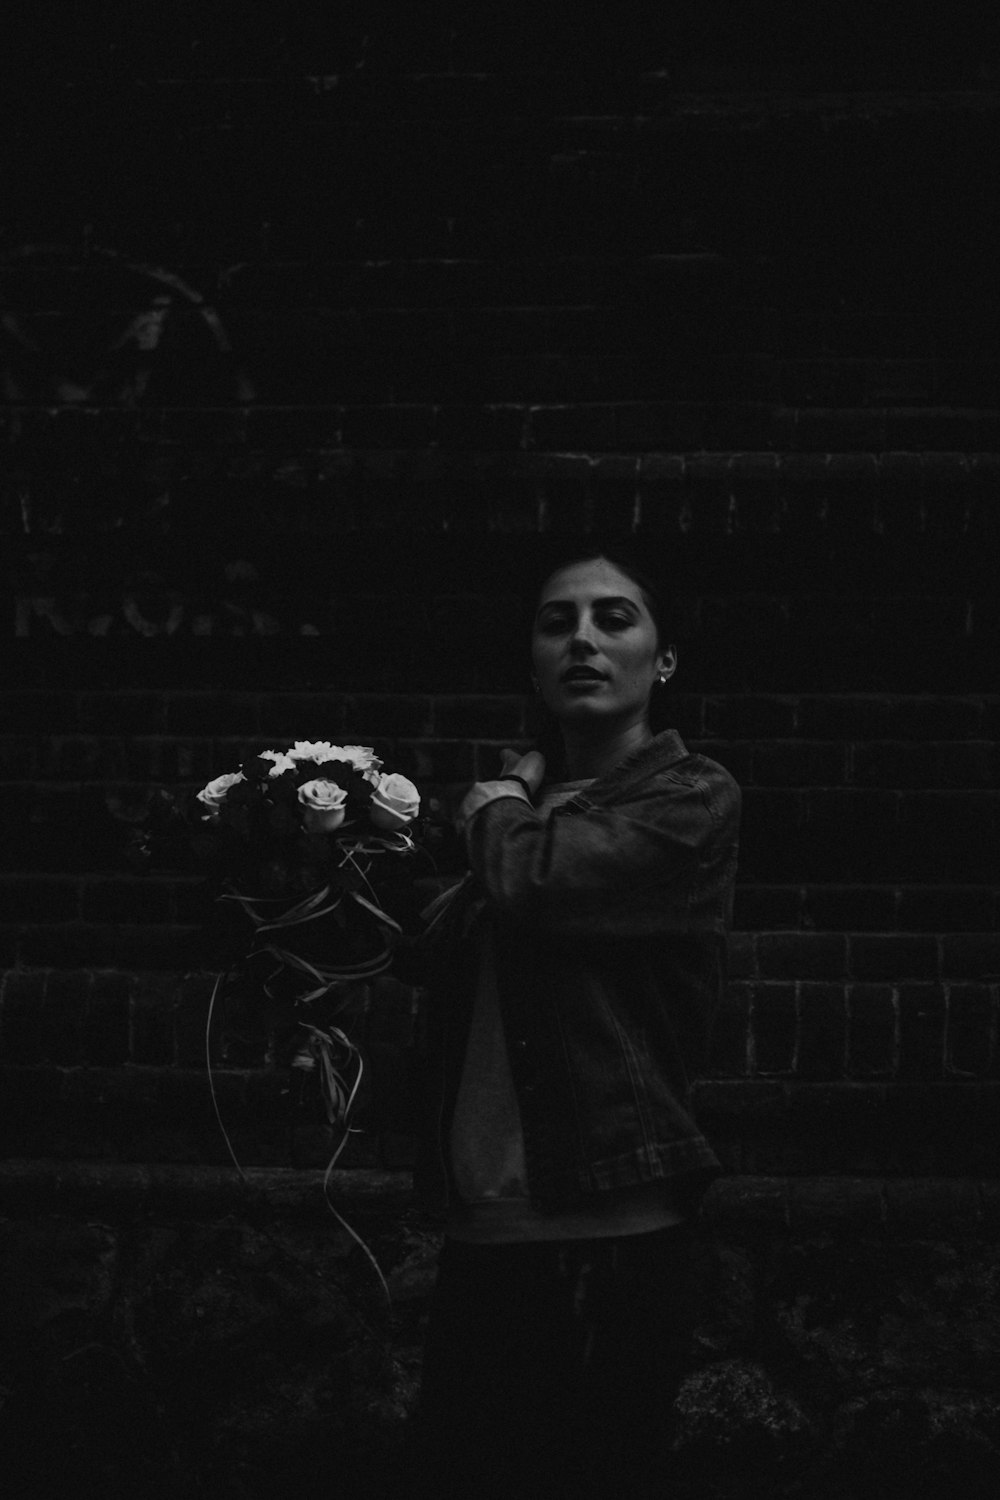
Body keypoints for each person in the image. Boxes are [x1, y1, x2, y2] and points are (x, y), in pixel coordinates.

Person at [401, 545, 741, 1498]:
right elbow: (435, 971)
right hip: (486, 1231)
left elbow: (538, 885)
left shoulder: (687, 799)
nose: (583, 640)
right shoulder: (514, 816)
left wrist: (497, 805)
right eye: (559, 623)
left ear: (662, 661)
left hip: (611, 1233)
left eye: (614, 619)